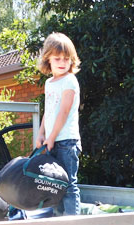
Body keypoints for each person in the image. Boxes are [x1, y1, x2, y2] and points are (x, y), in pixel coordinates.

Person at [36, 32, 82, 215]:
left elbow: (63, 112)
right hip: (52, 140)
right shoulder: (49, 83)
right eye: (57, 58)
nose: (62, 62)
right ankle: (58, 221)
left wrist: (52, 137)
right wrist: (41, 134)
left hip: (66, 141)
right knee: (54, 184)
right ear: (48, 59)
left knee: (69, 184)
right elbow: (49, 111)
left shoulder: (70, 80)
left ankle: (72, 224)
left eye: (66, 58)